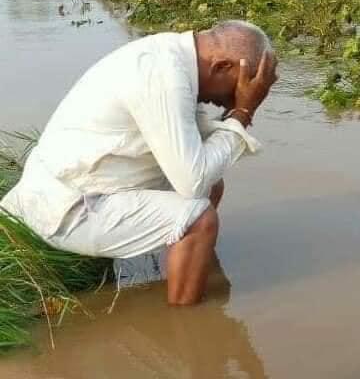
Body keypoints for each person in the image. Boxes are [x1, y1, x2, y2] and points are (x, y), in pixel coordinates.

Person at [1, 20, 278, 305]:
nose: (234, 96)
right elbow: (192, 182)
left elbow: (199, 150)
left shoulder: (173, 57)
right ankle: (185, 323)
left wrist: (238, 113)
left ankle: (184, 265)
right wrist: (243, 111)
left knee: (212, 184)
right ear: (221, 67)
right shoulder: (163, 77)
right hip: (65, 210)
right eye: (243, 84)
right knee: (199, 220)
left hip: (79, 184)